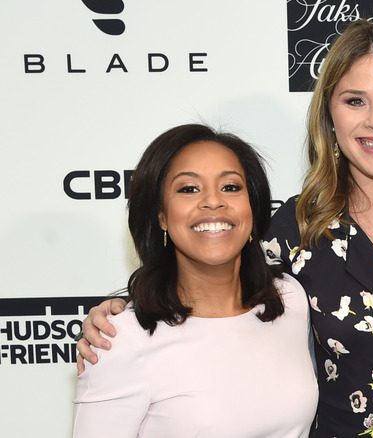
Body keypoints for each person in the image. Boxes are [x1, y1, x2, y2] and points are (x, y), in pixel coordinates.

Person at [76, 18, 373, 438]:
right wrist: (124, 315)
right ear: (329, 116)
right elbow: (214, 287)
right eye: (355, 101)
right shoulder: (296, 229)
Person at [72, 124, 318, 438]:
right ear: (161, 216)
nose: (213, 201)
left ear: (252, 207)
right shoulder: (120, 340)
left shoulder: (289, 299)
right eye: (189, 189)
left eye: (230, 187)